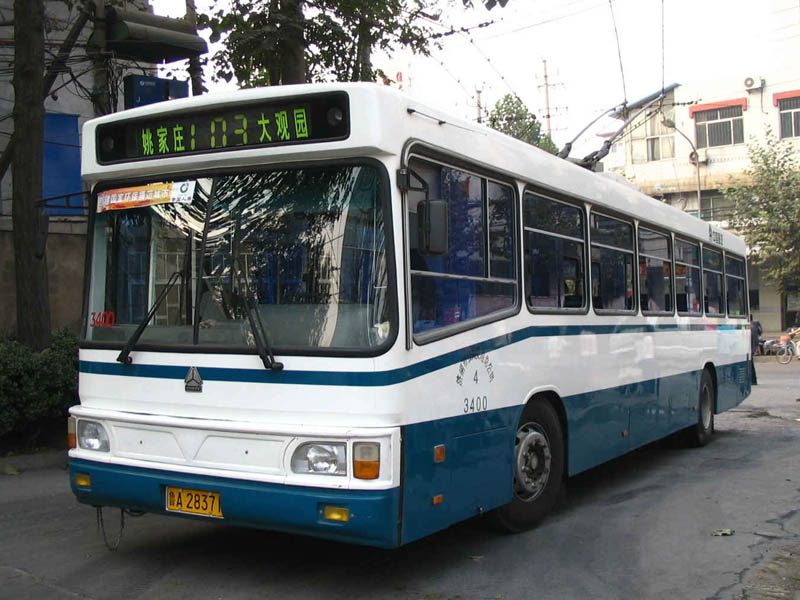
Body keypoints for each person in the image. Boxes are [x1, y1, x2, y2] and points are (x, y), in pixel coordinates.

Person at [750, 314, 762, 384]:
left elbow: (755, 340)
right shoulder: (753, 326)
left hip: (751, 349)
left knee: (751, 365)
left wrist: (754, 350)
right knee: (751, 365)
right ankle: (753, 380)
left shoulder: (752, 328)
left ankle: (753, 380)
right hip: (751, 348)